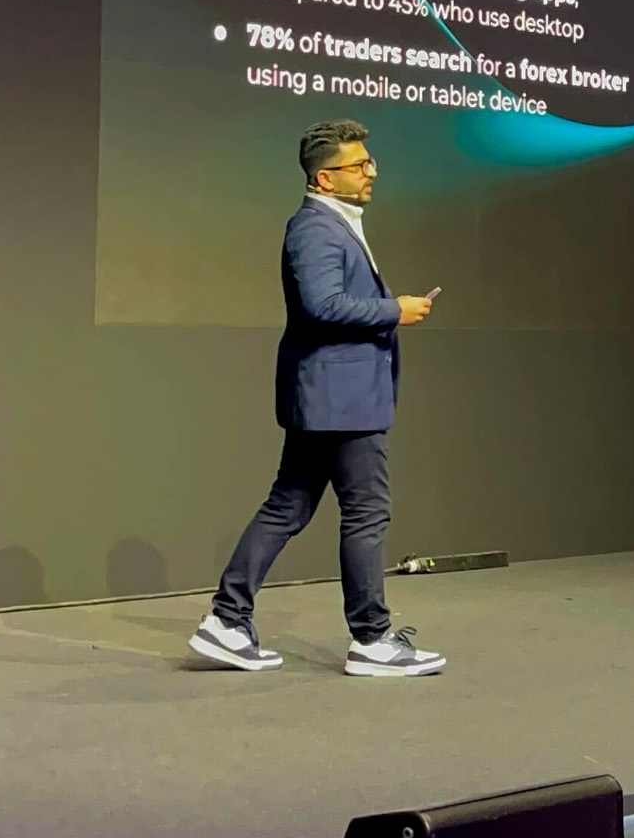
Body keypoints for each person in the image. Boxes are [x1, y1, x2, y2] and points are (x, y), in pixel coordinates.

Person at [189, 119, 446, 676]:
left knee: (289, 505)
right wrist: (394, 310)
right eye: (360, 165)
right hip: (340, 399)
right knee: (366, 512)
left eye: (371, 161)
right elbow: (321, 306)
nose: (372, 171)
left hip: (330, 395)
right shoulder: (315, 229)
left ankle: (227, 620)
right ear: (325, 178)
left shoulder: (333, 224)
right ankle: (371, 639)